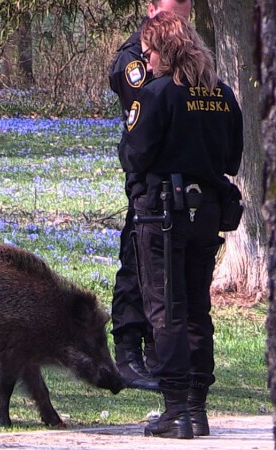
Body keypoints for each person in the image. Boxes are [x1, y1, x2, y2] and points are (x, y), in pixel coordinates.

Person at [121, 12, 243, 439]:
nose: (147, 62)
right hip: (207, 213)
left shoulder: (155, 95)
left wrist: (139, 192)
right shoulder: (222, 95)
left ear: (165, 51)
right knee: (196, 309)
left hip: (163, 215)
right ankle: (197, 407)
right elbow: (232, 160)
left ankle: (175, 411)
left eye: (150, 52)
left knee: (166, 311)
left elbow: (134, 155)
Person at [107, 0, 193, 392]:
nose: (184, 7)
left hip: (183, 178)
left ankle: (165, 354)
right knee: (137, 264)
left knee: (175, 274)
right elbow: (148, 110)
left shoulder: (190, 47)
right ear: (151, 6)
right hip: (150, 178)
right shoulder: (135, 58)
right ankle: (128, 352)